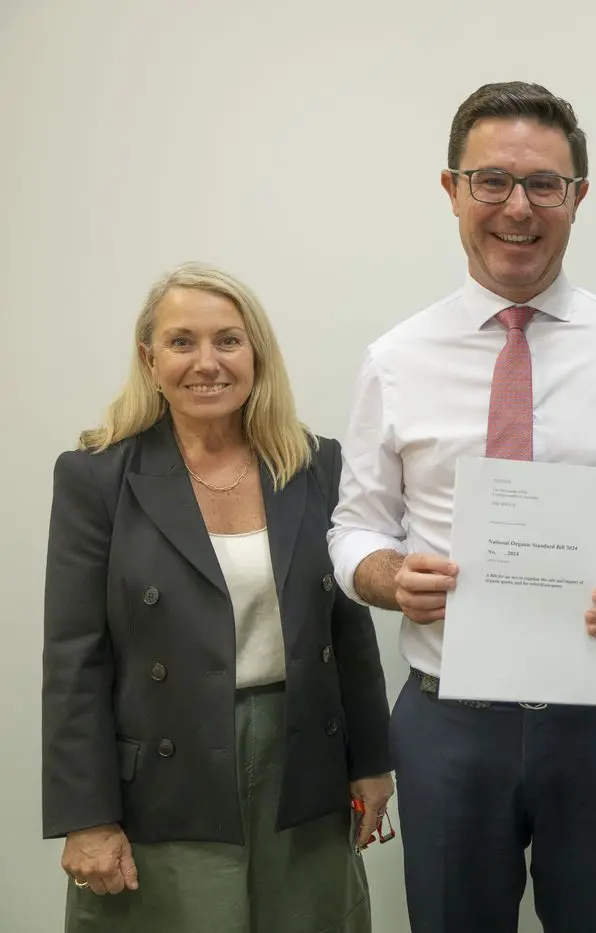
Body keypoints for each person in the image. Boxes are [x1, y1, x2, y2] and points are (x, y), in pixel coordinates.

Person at [326, 81, 596, 933]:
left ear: (578, 197)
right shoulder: (395, 359)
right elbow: (354, 525)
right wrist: (390, 576)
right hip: (447, 721)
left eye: (545, 184)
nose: (518, 207)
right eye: (491, 181)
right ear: (451, 190)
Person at [42, 262, 394, 933]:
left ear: (256, 354)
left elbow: (347, 627)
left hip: (303, 761)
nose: (207, 362)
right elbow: (73, 658)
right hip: (165, 777)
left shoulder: (313, 463)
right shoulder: (96, 477)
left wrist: (372, 761)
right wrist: (85, 817)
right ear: (149, 359)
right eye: (181, 342)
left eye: (227, 340)